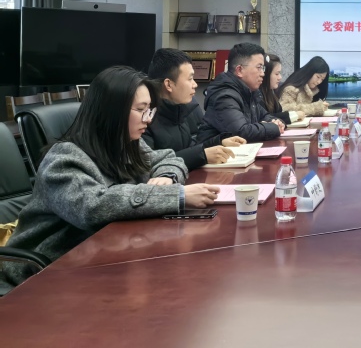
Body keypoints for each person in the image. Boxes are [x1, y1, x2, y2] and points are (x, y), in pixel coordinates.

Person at [0, 66, 220, 291]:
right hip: (41, 274)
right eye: (141, 110)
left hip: (96, 261)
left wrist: (167, 176)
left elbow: (168, 159)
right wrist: (176, 195)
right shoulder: (63, 158)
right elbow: (93, 207)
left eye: (150, 110)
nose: (148, 119)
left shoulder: (125, 144)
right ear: (113, 111)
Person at [143, 48, 246, 170]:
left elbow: (192, 146)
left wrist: (219, 142)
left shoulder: (184, 107)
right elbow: (148, 164)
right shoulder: (144, 118)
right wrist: (202, 155)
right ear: (168, 84)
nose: (195, 84)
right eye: (190, 79)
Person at [197, 42, 283, 143]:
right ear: (239, 70)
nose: (263, 74)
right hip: (217, 152)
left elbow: (265, 116)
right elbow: (241, 132)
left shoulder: (250, 92)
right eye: (259, 67)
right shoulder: (224, 96)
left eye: (263, 68)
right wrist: (273, 127)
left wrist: (277, 123)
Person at [260, 53, 305, 125]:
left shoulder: (271, 93)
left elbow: (278, 112)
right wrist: (294, 115)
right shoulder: (257, 96)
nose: (280, 77)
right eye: (277, 74)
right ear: (266, 75)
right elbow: (265, 118)